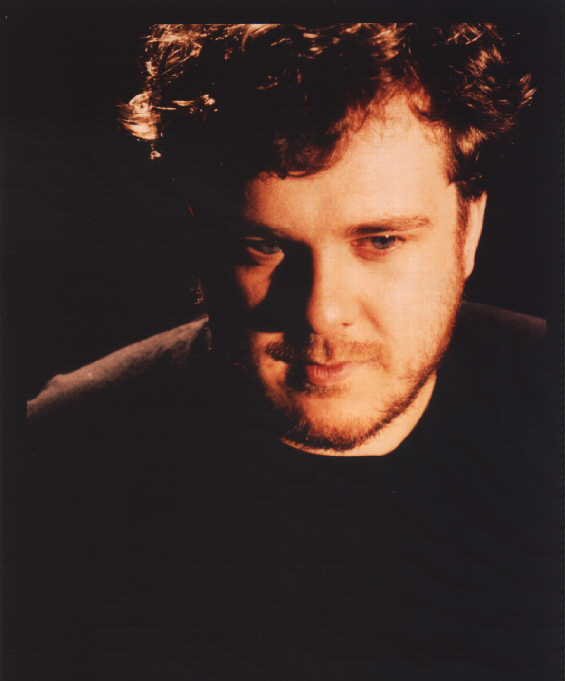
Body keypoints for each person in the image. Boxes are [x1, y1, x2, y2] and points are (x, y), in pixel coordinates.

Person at [21, 23, 560, 680]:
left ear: (468, 229)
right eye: (262, 245)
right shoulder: (62, 457)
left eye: (381, 241)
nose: (320, 310)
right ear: (200, 237)